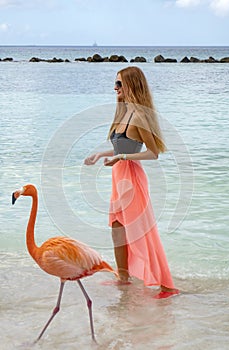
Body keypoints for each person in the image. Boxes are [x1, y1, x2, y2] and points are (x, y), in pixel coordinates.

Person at [84, 66, 179, 298]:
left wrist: (121, 157)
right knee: (117, 228)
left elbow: (153, 152)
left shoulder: (139, 117)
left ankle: (166, 285)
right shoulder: (123, 114)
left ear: (131, 86)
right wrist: (102, 155)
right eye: (115, 83)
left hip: (132, 177)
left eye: (119, 84)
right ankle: (123, 277)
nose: (115, 88)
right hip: (118, 177)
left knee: (141, 231)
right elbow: (121, 147)